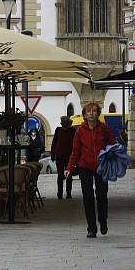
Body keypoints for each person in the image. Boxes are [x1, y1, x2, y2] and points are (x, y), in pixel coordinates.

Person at [65, 102, 116, 238]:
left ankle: (103, 220)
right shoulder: (80, 131)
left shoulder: (105, 128)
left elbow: (113, 145)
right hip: (85, 167)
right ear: (85, 114)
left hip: (101, 166)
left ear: (98, 113)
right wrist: (69, 168)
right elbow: (75, 152)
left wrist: (112, 158)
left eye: (94, 111)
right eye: (88, 111)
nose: (91, 113)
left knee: (101, 195)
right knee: (87, 197)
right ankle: (91, 228)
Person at [51, 116, 75, 199]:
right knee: (60, 176)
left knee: (69, 176)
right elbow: (54, 142)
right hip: (60, 157)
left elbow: (76, 143)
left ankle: (68, 193)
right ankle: (60, 193)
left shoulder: (72, 130)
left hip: (70, 157)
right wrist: (53, 154)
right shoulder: (58, 130)